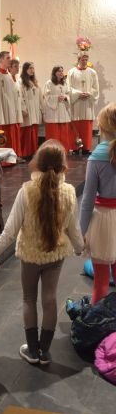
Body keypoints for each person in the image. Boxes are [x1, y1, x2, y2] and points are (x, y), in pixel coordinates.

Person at [0, 140, 84, 364]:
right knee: (50, 299)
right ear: (64, 167)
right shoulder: (69, 192)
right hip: (55, 255)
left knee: (29, 299)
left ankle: (32, 350)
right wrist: (80, 248)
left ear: (37, 163)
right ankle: (45, 351)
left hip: (30, 255)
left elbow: (9, 231)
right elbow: (74, 228)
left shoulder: (26, 191)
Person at [80, 103, 116, 305]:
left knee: (101, 283)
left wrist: (80, 232)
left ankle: (97, 327)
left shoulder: (96, 157)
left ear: (101, 128)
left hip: (103, 221)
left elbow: (86, 200)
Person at [67, 51, 99, 154]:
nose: (85, 61)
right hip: (76, 102)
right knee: (76, 124)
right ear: (78, 60)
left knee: (86, 125)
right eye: (83, 59)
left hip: (87, 103)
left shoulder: (92, 72)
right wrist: (78, 94)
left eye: (86, 60)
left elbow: (96, 88)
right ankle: (75, 148)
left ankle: (86, 148)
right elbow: (68, 88)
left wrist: (89, 94)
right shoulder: (71, 72)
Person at [0, 51, 23, 156]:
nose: (10, 60)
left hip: (12, 109)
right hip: (3, 110)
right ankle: (4, 159)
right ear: (0, 60)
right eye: (8, 58)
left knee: (12, 134)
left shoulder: (9, 75)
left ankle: (13, 156)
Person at [44, 66, 71, 152]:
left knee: (63, 132)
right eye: (59, 71)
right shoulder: (49, 83)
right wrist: (56, 98)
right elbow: (46, 96)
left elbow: (68, 94)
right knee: (53, 132)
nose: (61, 73)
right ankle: (52, 150)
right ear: (54, 73)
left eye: (62, 71)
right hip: (53, 111)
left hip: (63, 109)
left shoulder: (65, 83)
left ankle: (63, 150)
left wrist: (66, 98)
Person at [20, 62, 43, 158]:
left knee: (34, 131)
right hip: (28, 111)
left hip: (35, 110)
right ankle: (25, 153)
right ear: (25, 69)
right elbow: (20, 97)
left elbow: (40, 97)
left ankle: (33, 151)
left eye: (33, 68)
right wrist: (23, 108)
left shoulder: (35, 82)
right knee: (27, 132)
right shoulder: (21, 82)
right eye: (30, 68)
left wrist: (42, 109)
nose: (32, 70)